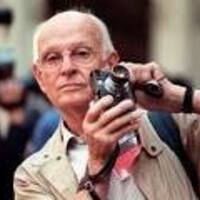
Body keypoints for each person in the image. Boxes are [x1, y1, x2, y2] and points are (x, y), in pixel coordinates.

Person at [14, 10, 200, 200]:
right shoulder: (31, 177)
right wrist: (97, 166)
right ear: (40, 77)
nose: (67, 68)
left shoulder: (171, 123)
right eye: (53, 58)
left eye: (81, 53)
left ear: (110, 63)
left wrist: (182, 98)